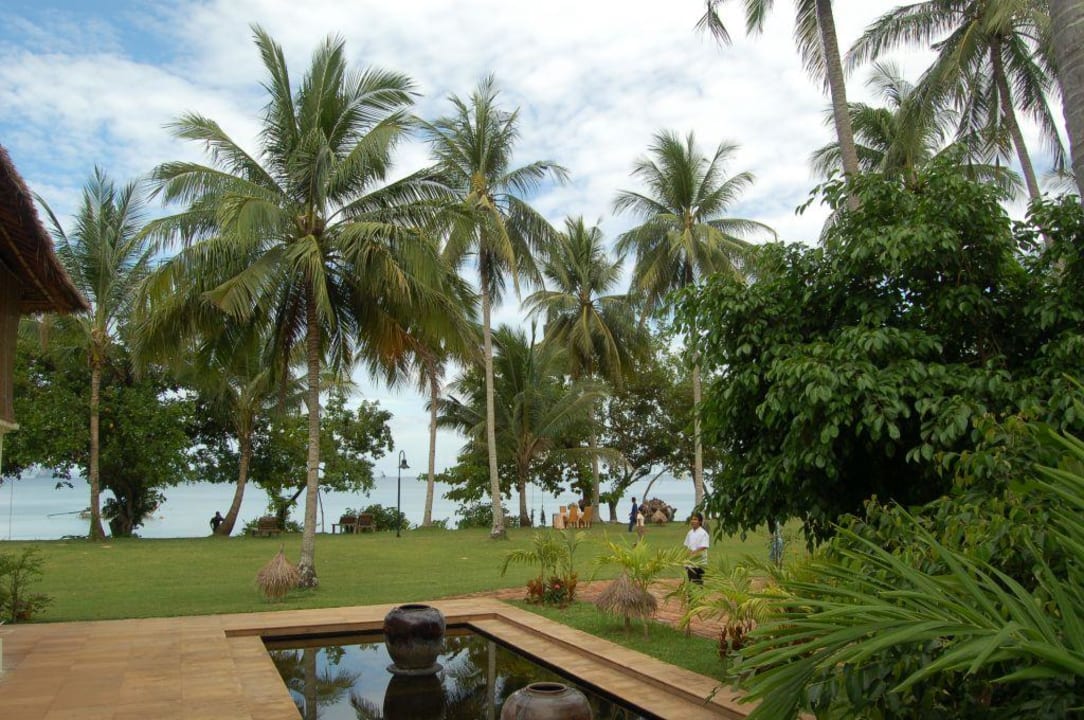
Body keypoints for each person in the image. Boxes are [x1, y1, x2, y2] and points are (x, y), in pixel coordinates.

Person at [683, 512, 709, 584]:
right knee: (691, 581)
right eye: (692, 519)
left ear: (700, 521)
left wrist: (693, 553)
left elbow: (703, 547)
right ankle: (692, 595)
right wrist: (685, 558)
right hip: (690, 562)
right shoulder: (690, 533)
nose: (693, 521)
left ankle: (698, 595)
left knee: (697, 582)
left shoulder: (703, 533)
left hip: (699, 562)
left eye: (695, 519)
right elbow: (687, 546)